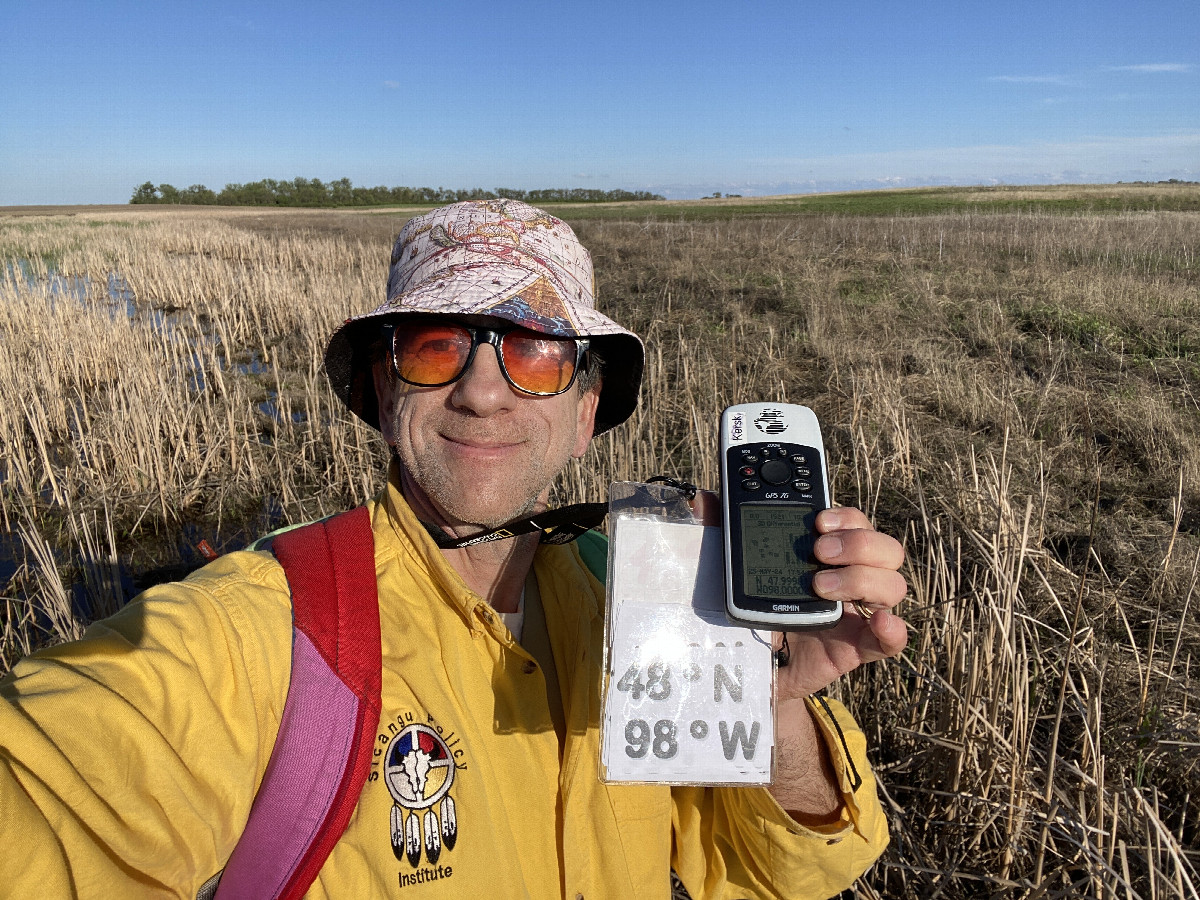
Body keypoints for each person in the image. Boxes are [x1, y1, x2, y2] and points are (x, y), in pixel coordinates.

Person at [0, 199, 909, 899]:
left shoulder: (659, 617)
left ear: (586, 411)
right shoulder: (268, 633)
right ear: (380, 390)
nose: (483, 391)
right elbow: (52, 788)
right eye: (437, 346)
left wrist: (775, 704)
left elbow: (780, 873)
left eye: (537, 352)